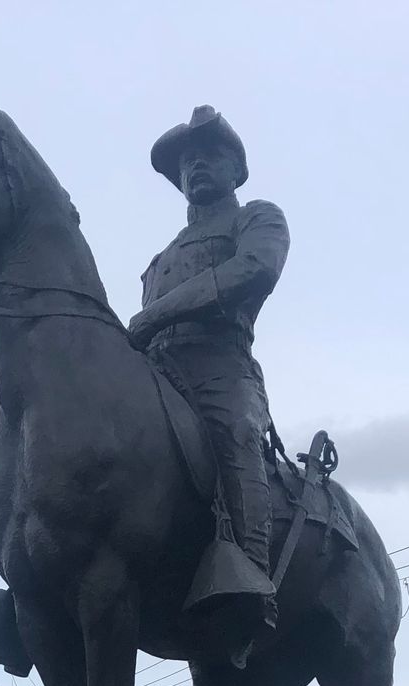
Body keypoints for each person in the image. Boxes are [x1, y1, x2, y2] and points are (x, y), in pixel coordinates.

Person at [128, 106, 289, 631]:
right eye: (187, 161)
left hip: (219, 366)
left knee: (236, 435)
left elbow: (254, 269)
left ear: (236, 170)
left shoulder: (257, 218)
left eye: (210, 155)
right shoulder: (159, 258)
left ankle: (252, 581)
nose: (195, 165)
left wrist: (155, 315)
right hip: (156, 371)